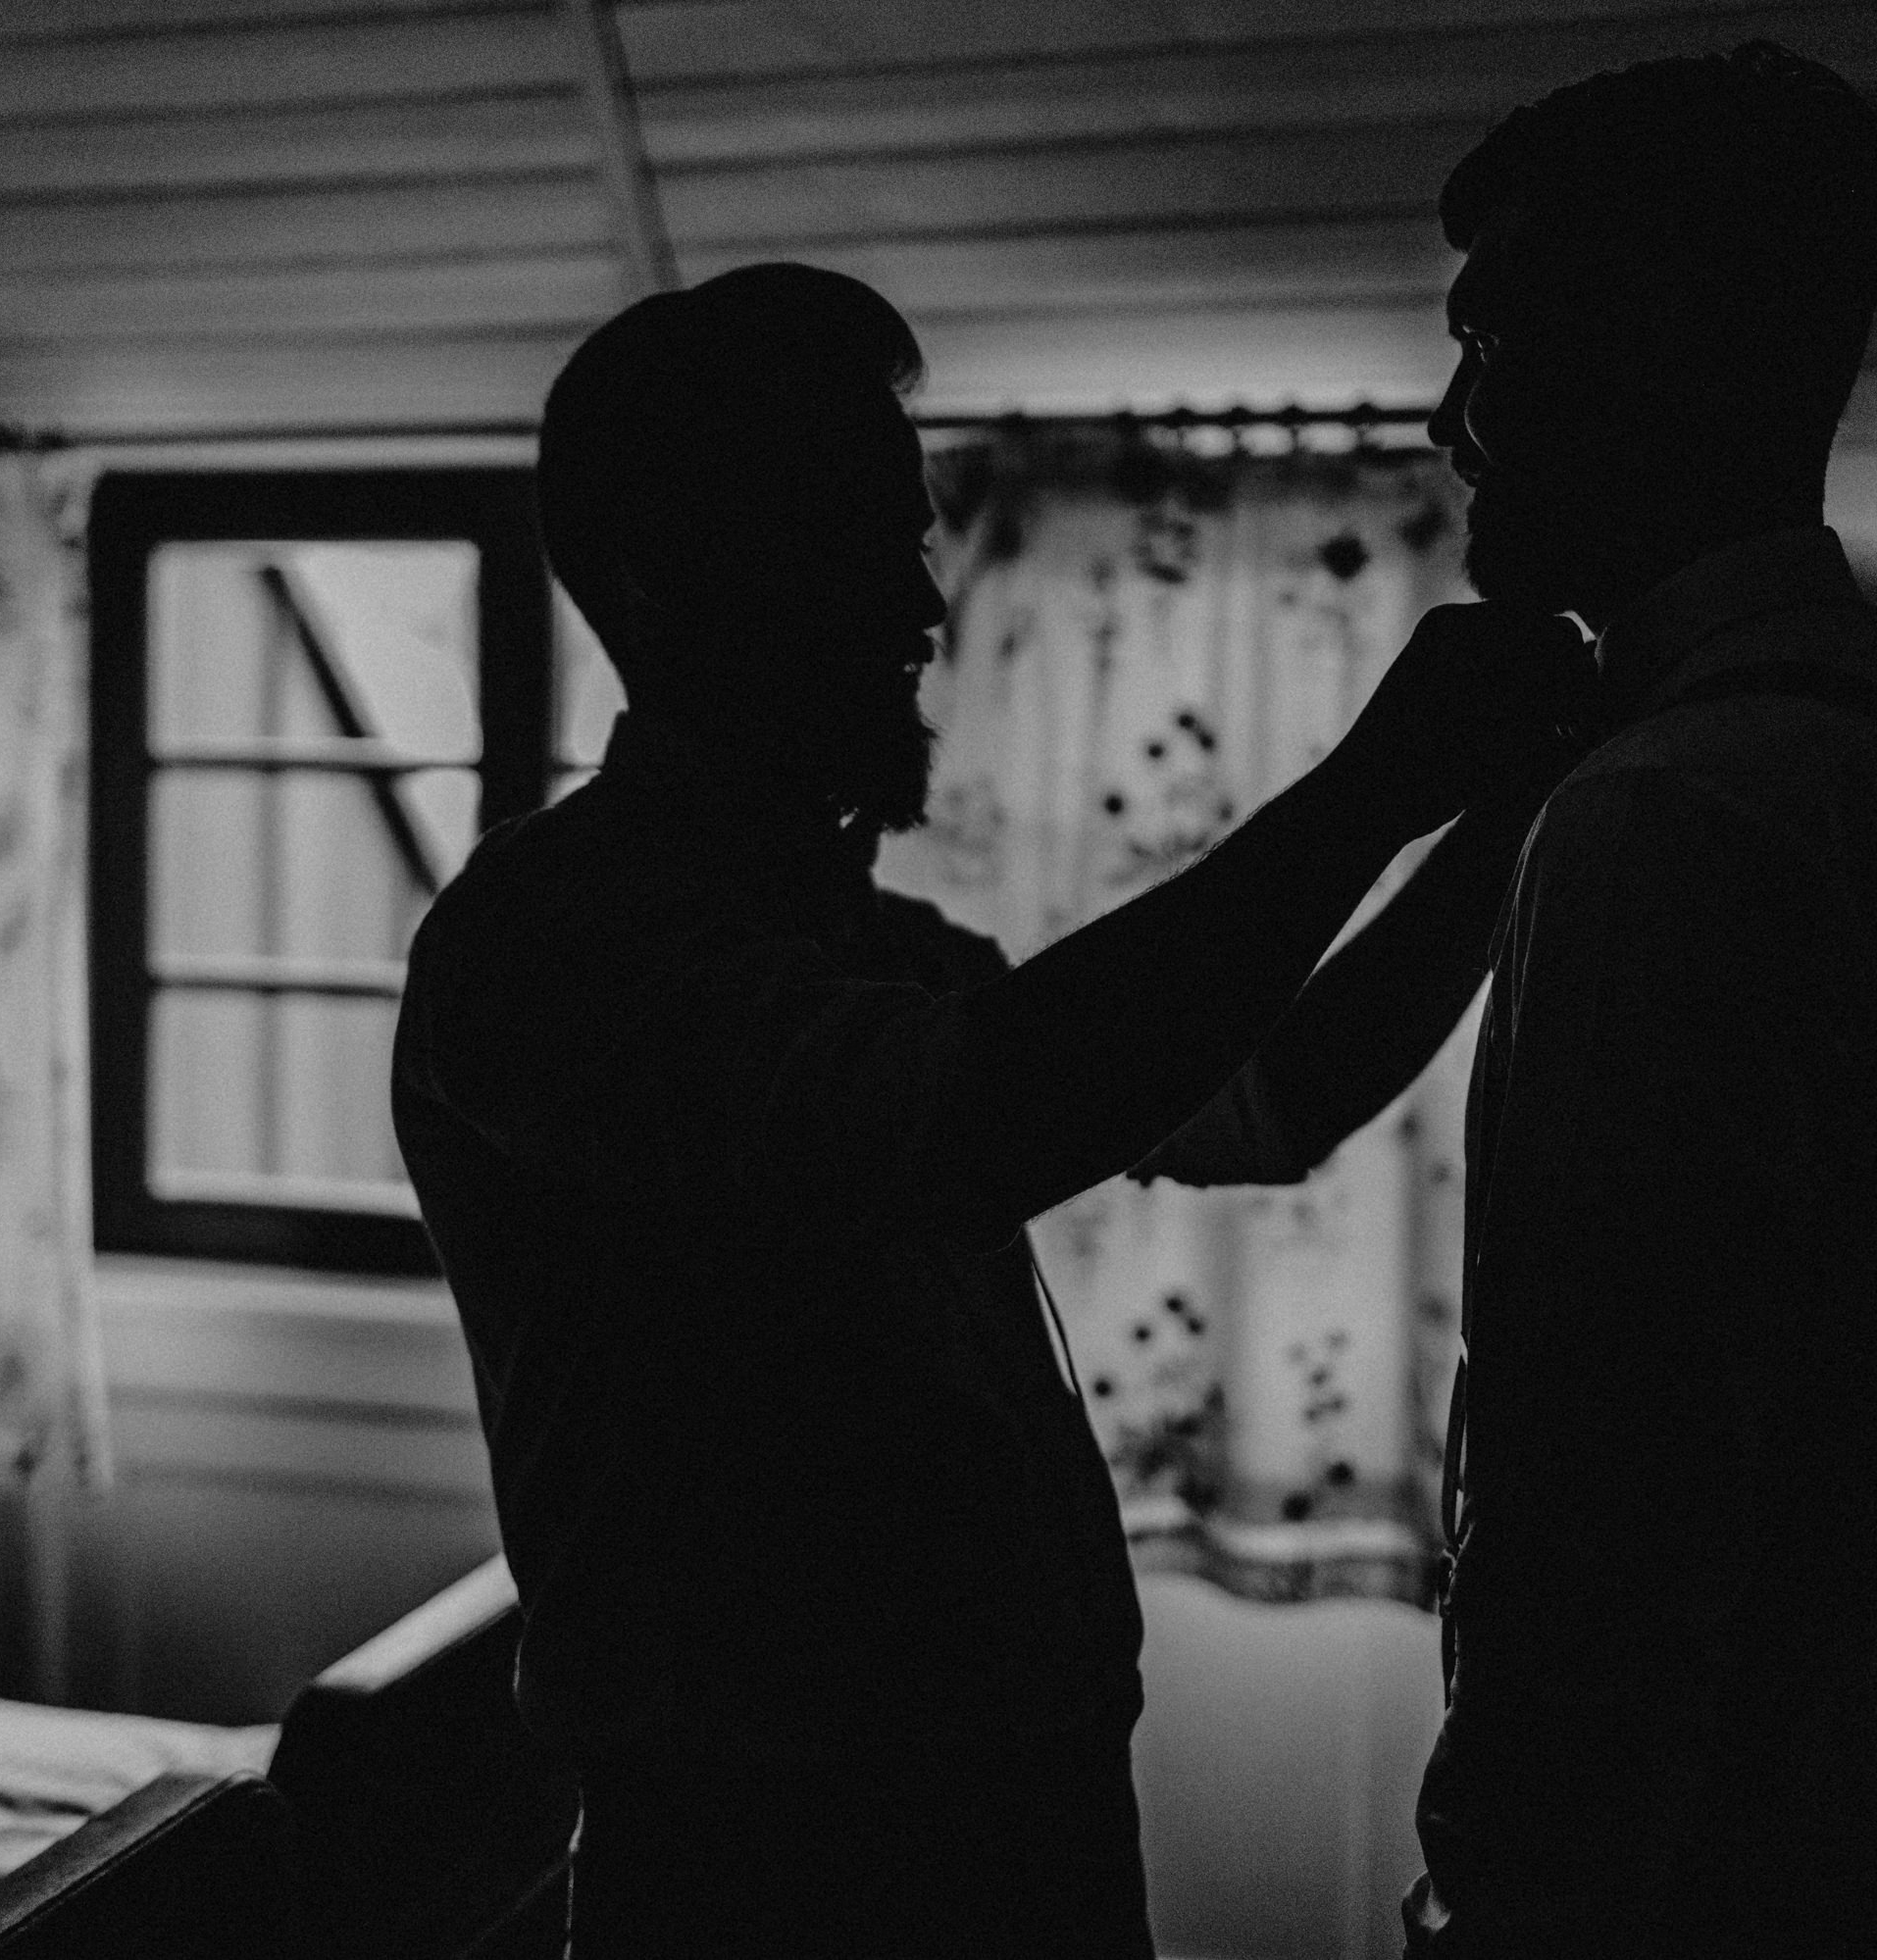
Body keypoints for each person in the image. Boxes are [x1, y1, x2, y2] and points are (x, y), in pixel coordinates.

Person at [389, 262, 1591, 1959]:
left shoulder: (874, 948)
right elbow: (967, 1121)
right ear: (666, 587)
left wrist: (1505, 808)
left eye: (917, 535)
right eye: (853, 541)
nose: (923, 608)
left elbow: (1275, 1103)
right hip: (777, 1887)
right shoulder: (553, 946)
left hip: (1013, 1839)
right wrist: (1378, 780)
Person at [1393, 44, 1877, 1958]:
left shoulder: (1673, 820)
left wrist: (1498, 1898)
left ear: (1657, 350)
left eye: (1497, 339)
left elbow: (1607, 1487)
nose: (1453, 420)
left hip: (1689, 1881)